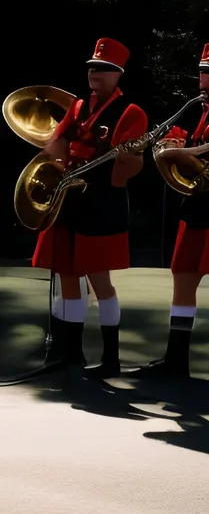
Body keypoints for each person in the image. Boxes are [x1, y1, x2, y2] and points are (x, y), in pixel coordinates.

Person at [130, 43, 209, 383]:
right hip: (196, 209)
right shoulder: (201, 111)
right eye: (202, 72)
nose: (205, 79)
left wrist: (181, 154)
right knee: (182, 279)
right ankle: (176, 360)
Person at [32, 38, 148, 378]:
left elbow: (123, 159)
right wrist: (45, 169)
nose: (94, 72)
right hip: (70, 197)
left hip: (101, 200)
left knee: (100, 279)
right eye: (92, 67)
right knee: (68, 274)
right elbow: (59, 142)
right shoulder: (79, 105)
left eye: (103, 68)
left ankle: (111, 357)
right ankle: (72, 352)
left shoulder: (131, 112)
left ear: (118, 74)